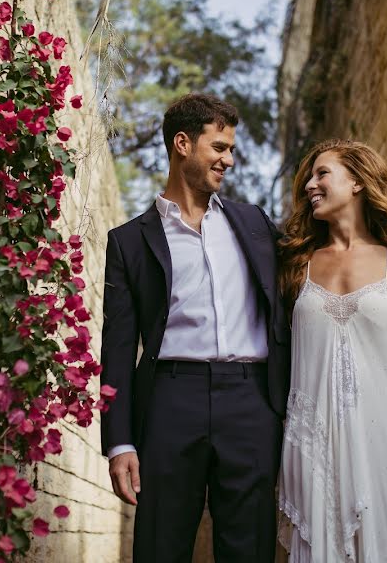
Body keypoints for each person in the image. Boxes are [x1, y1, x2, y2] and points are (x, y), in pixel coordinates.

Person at [99, 93, 291, 562]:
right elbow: (119, 347)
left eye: (230, 149)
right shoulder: (128, 242)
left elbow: (314, 270)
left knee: (250, 548)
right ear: (182, 144)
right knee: (160, 546)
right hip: (169, 400)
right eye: (219, 147)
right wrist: (119, 442)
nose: (228, 160)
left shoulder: (255, 224)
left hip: (251, 401)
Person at [276, 138, 387, 562]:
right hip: (315, 446)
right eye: (308, 176)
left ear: (357, 181)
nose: (309, 185)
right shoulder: (294, 264)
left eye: (322, 173)